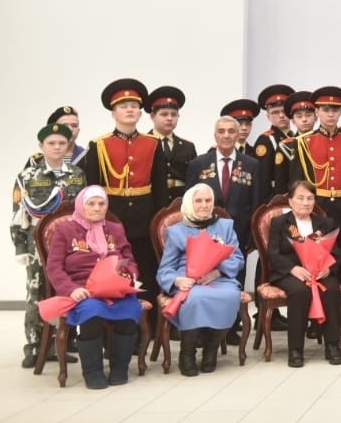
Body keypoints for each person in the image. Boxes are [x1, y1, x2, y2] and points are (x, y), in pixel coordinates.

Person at [44, 186, 143, 389]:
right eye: (91, 204)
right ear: (82, 205)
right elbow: (54, 268)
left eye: (101, 204)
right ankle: (92, 371)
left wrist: (129, 277)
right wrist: (71, 289)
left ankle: (119, 368)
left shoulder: (115, 229)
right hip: (83, 290)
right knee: (92, 312)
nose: (97, 208)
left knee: (130, 310)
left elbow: (127, 259)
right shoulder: (65, 230)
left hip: (115, 289)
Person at [84, 78, 169, 306]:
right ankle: (114, 315)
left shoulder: (152, 143)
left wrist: (159, 219)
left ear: (140, 113)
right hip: (112, 215)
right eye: (123, 106)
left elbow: (160, 186)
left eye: (134, 106)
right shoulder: (99, 145)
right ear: (113, 113)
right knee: (112, 265)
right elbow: (92, 188)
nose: (129, 110)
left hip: (145, 216)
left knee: (145, 266)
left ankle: (147, 316)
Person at [285, 87, 341, 325]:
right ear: (317, 112)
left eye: (335, 110)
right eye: (326, 109)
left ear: (340, 113)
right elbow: (297, 183)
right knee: (313, 262)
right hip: (316, 210)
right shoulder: (303, 142)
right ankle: (314, 317)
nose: (331, 114)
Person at [12, 123, 87, 368]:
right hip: (37, 246)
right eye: (51, 143)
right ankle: (34, 346)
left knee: (65, 291)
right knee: (36, 293)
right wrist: (20, 247)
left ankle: (59, 344)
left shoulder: (77, 174)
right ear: (41, 146)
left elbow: (82, 212)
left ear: (68, 145)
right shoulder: (27, 176)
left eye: (61, 143)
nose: (57, 147)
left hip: (69, 246)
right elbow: (19, 215)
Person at [157, 183, 244, 377]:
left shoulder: (225, 226)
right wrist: (177, 280)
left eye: (208, 200)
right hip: (188, 280)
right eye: (198, 201)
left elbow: (238, 259)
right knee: (195, 298)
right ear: (189, 203)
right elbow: (165, 269)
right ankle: (187, 353)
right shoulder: (176, 231)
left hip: (219, 278)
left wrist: (217, 272)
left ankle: (211, 350)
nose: (204, 205)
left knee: (230, 296)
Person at [267, 180, 341, 367]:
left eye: (310, 198)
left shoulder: (324, 223)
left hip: (320, 273)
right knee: (300, 292)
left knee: (331, 289)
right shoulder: (280, 223)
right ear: (290, 201)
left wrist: (328, 269)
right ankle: (295, 349)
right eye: (300, 198)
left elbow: (336, 253)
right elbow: (273, 253)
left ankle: (333, 345)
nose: (305, 202)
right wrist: (293, 269)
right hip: (290, 273)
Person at [186, 116, 260, 254]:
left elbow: (256, 203)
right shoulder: (198, 164)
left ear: (237, 135)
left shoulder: (252, 165)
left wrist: (252, 237)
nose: (226, 135)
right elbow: (188, 203)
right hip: (204, 233)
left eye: (231, 131)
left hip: (240, 235)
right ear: (215, 135)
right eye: (221, 131)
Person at [146, 85, 197, 204]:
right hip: (152, 203)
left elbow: (193, 179)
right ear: (152, 116)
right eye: (164, 114)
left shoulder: (188, 147)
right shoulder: (144, 144)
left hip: (181, 204)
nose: (169, 118)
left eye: (174, 115)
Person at [253, 84, 295, 202]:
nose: (281, 116)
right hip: (277, 199)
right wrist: (271, 204)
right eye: (275, 112)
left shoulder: (295, 136)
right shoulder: (266, 140)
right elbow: (264, 179)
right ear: (268, 116)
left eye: (284, 111)